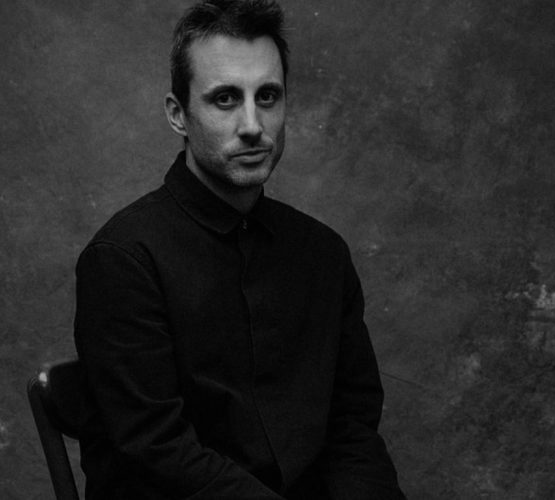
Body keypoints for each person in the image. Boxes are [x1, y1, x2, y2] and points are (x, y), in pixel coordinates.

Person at [73, 0, 406, 498]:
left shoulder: (323, 255)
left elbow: (353, 431)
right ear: (178, 115)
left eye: (267, 96)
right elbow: (156, 451)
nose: (253, 124)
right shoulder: (123, 260)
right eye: (226, 98)